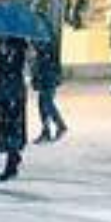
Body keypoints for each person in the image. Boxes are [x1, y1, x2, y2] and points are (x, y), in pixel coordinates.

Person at [0, 31, 29, 180]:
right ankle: (13, 156)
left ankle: (11, 164)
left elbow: (11, 68)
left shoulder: (17, 49)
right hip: (6, 93)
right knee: (6, 128)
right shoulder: (5, 49)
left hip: (13, 93)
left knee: (12, 128)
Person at [31, 10, 67, 142]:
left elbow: (45, 53)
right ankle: (46, 131)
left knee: (46, 102)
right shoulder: (46, 33)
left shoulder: (46, 36)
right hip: (46, 73)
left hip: (48, 73)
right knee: (43, 103)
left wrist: (34, 44)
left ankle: (60, 125)